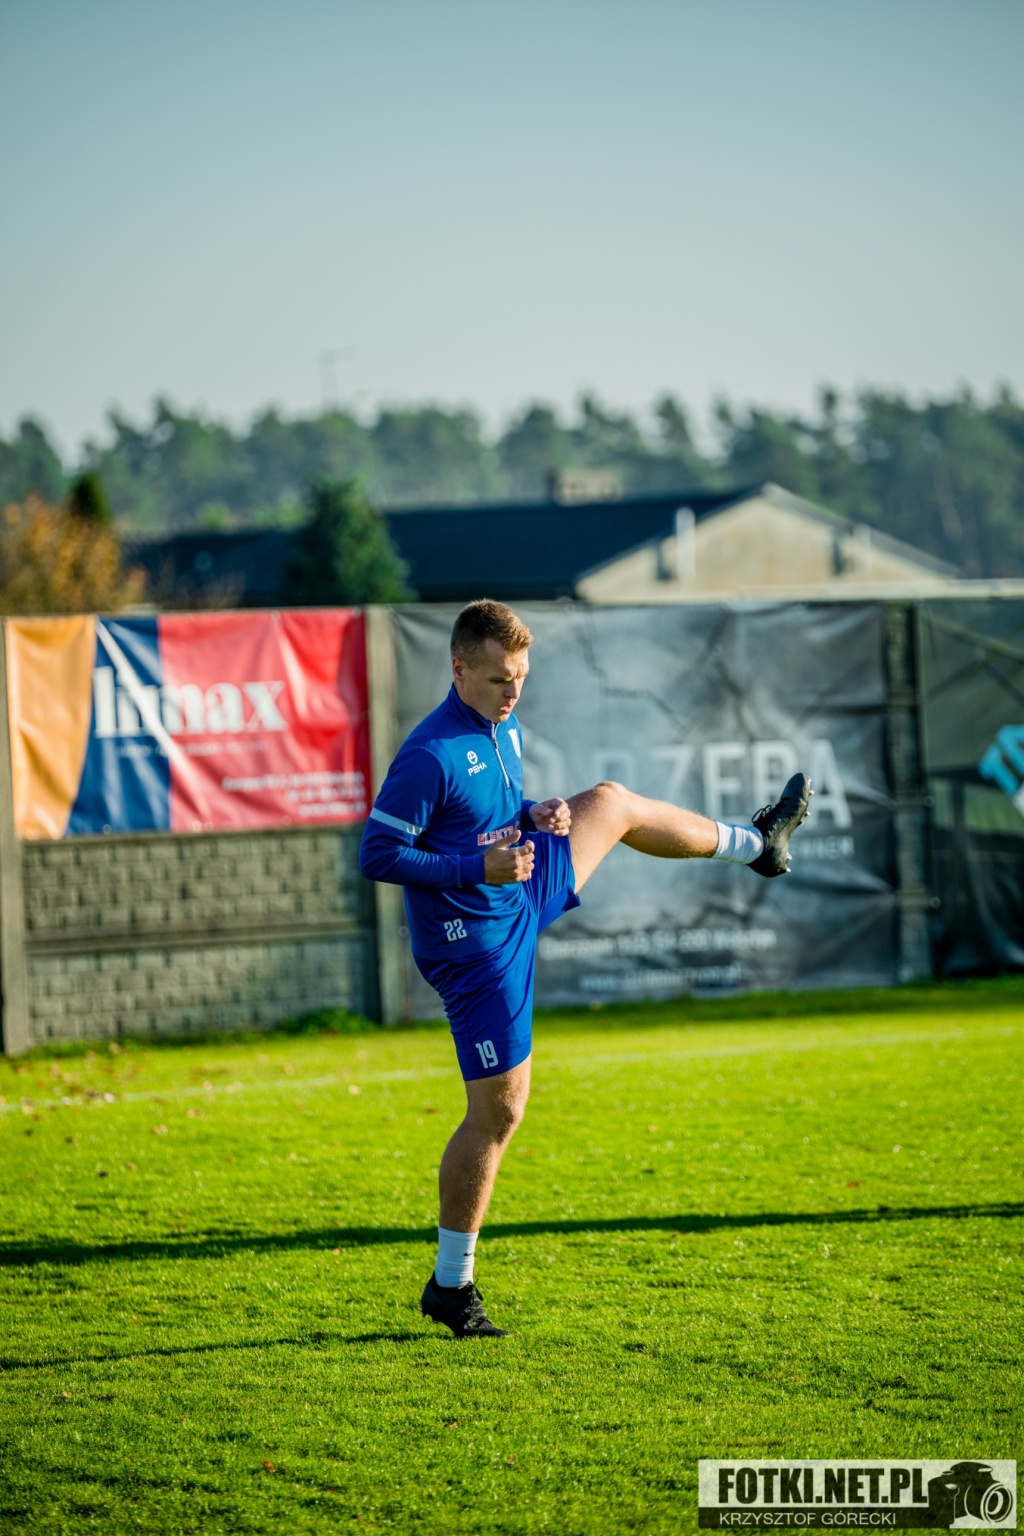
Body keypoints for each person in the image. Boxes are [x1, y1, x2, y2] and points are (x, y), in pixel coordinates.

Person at [359, 599, 811, 1339]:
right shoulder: (429, 753)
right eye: (499, 678)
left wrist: (531, 816)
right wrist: (478, 866)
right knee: (500, 1113)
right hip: (473, 946)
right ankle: (451, 1285)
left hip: (517, 891)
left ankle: (758, 843)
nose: (513, 691)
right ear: (459, 668)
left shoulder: (503, 727)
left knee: (609, 802)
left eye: (522, 676)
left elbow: (483, 818)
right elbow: (378, 855)